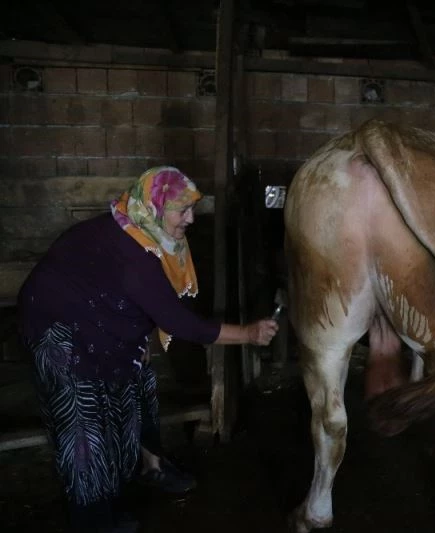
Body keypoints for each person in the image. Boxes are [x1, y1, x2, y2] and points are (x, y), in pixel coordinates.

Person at [17, 166, 278, 533]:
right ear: (153, 207)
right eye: (181, 210)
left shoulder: (144, 231)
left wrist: (133, 338)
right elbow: (181, 323)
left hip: (99, 322)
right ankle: (93, 520)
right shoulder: (137, 256)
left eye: (191, 208)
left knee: (131, 400)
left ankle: (139, 475)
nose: (190, 218)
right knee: (84, 428)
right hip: (58, 330)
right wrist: (248, 334)